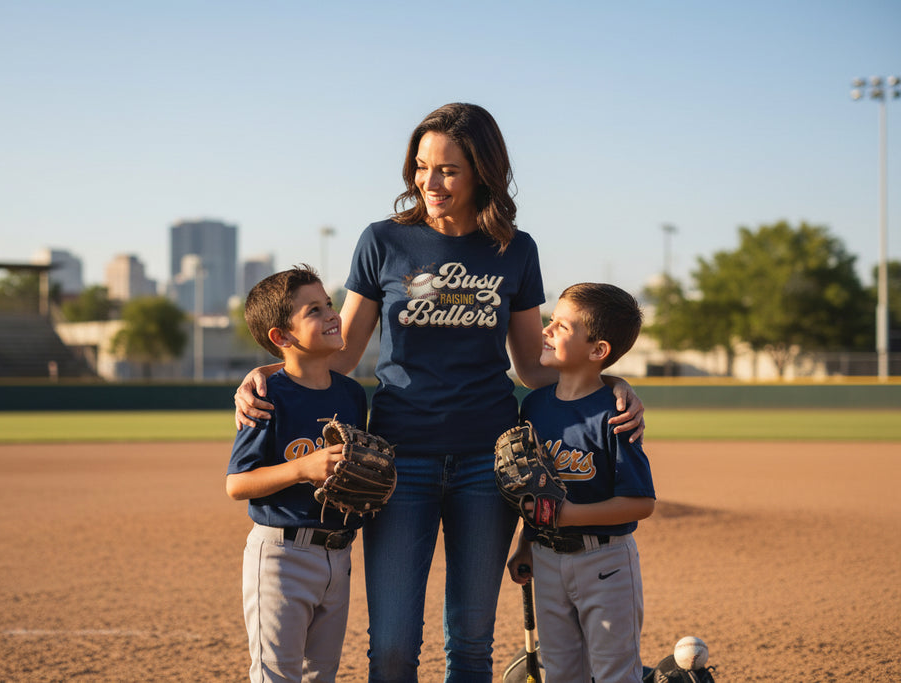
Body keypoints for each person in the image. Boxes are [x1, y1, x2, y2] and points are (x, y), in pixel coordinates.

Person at [235, 103, 645, 683]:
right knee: (395, 649)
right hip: (400, 460)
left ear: (482, 172)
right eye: (422, 166)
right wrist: (263, 374)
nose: (430, 182)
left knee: (471, 646)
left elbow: (532, 366)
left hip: (488, 463)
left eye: (448, 170)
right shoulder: (382, 242)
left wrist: (613, 382)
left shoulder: (515, 249)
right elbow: (344, 355)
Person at [506, 282, 656, 683]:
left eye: (561, 326)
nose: (546, 330)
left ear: (598, 351)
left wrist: (571, 515)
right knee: (560, 672)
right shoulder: (534, 405)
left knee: (614, 671)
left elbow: (640, 503)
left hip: (604, 562)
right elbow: (535, 489)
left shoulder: (616, 412)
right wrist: (525, 544)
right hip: (548, 559)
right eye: (550, 321)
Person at [226, 264, 368, 683]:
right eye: (313, 310)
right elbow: (237, 483)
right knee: (277, 676)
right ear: (281, 337)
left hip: (338, 554)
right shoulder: (269, 396)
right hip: (282, 557)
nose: (331, 314)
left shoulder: (352, 394)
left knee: (319, 676)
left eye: (329, 304)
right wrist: (302, 468)